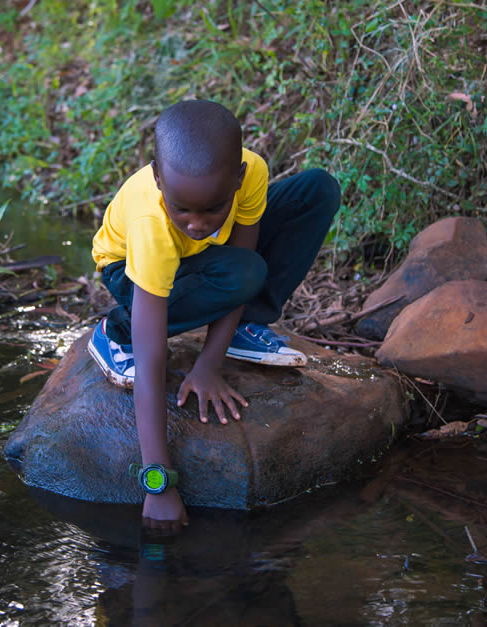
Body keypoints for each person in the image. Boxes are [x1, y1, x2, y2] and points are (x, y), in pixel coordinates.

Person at [88, 99, 340, 533]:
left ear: (238, 177)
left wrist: (209, 364)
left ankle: (244, 328)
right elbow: (152, 364)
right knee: (240, 274)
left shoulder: (251, 174)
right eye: (182, 208)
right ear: (158, 178)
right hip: (129, 270)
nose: (197, 222)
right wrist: (157, 483)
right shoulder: (153, 222)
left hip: (206, 261)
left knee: (317, 190)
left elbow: (242, 259)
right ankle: (117, 331)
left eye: (212, 208)